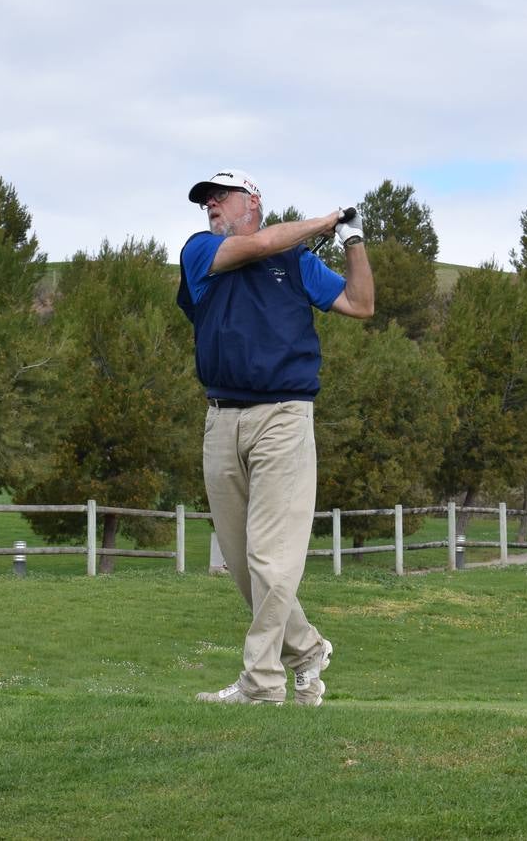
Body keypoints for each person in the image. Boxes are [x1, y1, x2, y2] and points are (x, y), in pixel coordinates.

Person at [176, 169, 374, 705]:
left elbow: (360, 304)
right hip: (221, 418)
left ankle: (261, 684)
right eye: (206, 202)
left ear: (252, 200)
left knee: (270, 559)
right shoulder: (200, 252)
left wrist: (353, 240)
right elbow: (258, 243)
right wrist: (327, 220)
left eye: (221, 198)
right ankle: (307, 650)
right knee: (243, 564)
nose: (211, 207)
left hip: (284, 416)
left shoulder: (296, 262)